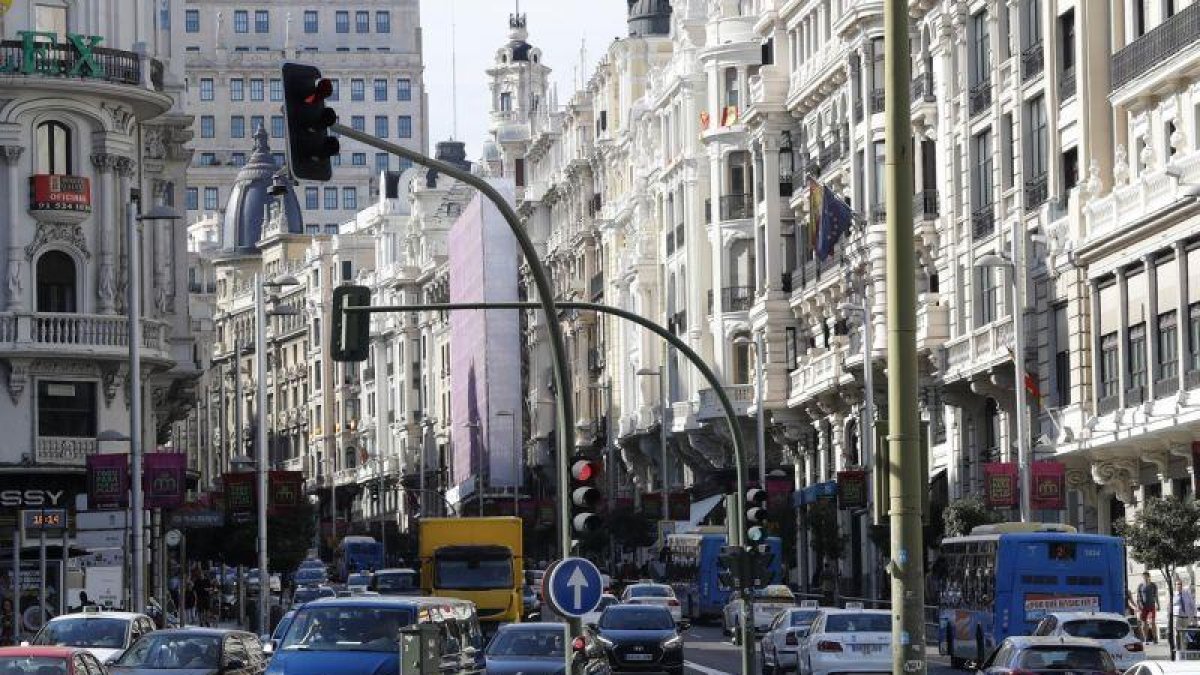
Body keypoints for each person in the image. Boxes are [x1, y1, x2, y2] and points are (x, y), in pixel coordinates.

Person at [1138, 571, 1160, 643]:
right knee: (1144, 623)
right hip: (1144, 606)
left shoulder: (1153, 585)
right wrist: (1140, 605)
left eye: (1146, 576)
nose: (1145, 578)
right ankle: (1146, 638)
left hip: (1152, 605)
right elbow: (1139, 597)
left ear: (1149, 577)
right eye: (1144, 577)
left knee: (1152, 622)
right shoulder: (1140, 586)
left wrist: (1158, 604)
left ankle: (1155, 638)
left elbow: (1156, 595)